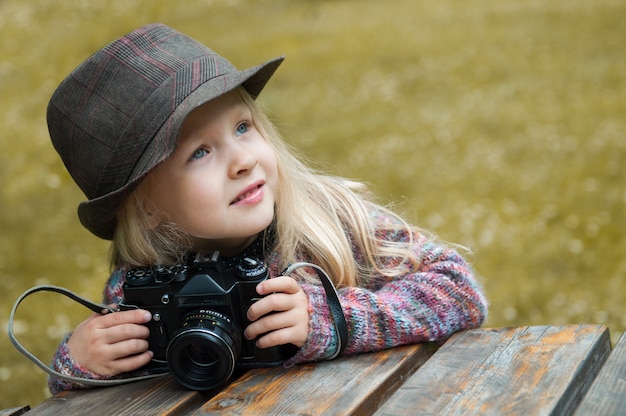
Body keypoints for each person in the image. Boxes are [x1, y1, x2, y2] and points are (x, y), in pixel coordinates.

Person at [46, 23, 488, 394]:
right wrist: (77, 364)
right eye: (200, 152)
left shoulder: (329, 220)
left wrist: (332, 319)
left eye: (243, 126)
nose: (243, 160)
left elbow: (460, 291)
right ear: (147, 211)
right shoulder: (140, 288)